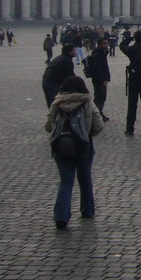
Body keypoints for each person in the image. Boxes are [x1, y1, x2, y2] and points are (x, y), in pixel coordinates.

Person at [45, 76, 104, 229]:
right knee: (85, 179)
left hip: (61, 147)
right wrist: (86, 133)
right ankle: (87, 210)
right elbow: (98, 125)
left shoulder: (56, 103)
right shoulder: (87, 103)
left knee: (65, 181)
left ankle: (61, 216)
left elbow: (48, 126)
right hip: (83, 145)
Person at [87, 38, 112, 121]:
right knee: (99, 97)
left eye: (107, 43)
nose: (107, 45)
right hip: (99, 80)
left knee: (102, 97)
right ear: (100, 44)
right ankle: (96, 114)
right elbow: (97, 69)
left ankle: (99, 113)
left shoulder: (102, 53)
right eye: (105, 43)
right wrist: (103, 79)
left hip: (102, 79)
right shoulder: (97, 55)